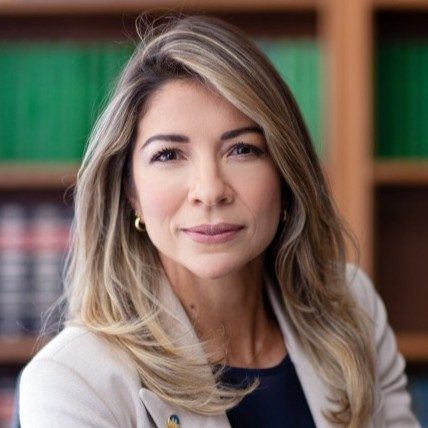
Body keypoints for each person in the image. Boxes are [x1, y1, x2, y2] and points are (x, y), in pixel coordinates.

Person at [19, 14, 420, 428]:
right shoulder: (70, 382)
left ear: (286, 173)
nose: (210, 191)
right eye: (169, 155)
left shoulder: (352, 307)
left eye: (242, 150)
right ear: (130, 192)